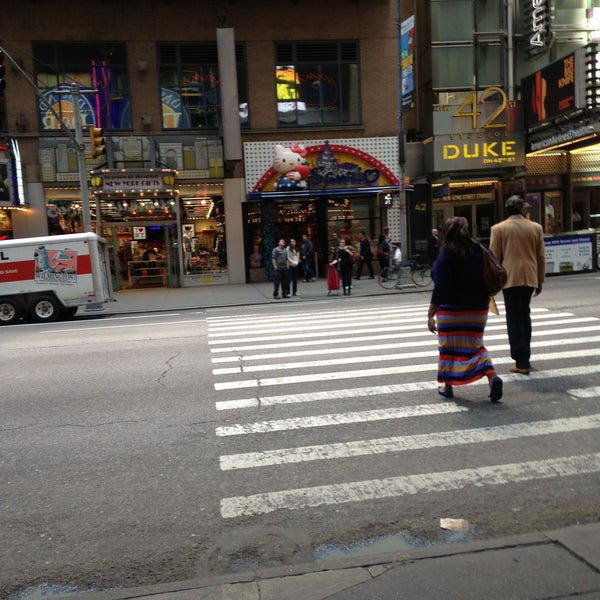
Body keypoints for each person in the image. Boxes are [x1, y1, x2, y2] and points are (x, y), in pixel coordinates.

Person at [427, 217, 503, 403]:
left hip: (451, 310)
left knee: (448, 347)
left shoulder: (446, 254)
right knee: (476, 345)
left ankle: (448, 387)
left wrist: (430, 314)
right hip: (477, 310)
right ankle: (492, 377)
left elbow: (440, 288)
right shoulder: (479, 250)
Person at [490, 195, 546, 375]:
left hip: (510, 278)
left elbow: (494, 258)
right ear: (522, 209)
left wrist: (492, 283)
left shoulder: (498, 229)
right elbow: (541, 256)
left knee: (514, 318)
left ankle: (521, 361)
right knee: (524, 316)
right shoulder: (535, 227)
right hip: (530, 276)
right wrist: (540, 279)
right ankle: (525, 358)